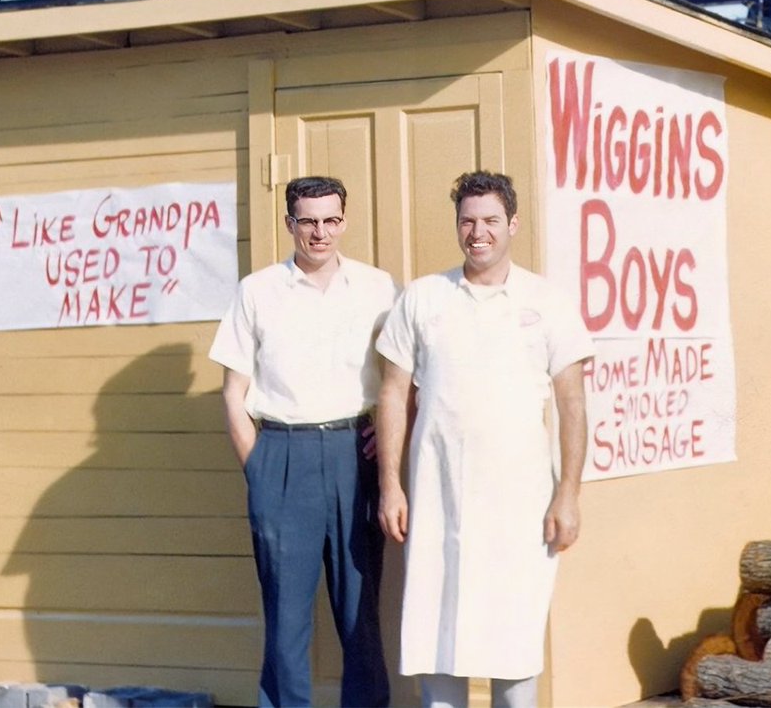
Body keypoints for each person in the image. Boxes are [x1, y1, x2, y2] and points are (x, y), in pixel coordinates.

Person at [375, 171, 593, 708]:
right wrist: (390, 486)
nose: (479, 232)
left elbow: (571, 405)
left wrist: (569, 492)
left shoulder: (547, 302)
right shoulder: (423, 298)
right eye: (468, 221)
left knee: (512, 630)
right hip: (437, 494)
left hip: (519, 499)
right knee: (436, 624)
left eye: (491, 220)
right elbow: (392, 395)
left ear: (512, 224)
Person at [210, 175, 395, 708]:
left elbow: (399, 378)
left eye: (331, 220)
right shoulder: (258, 290)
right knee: (286, 618)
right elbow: (233, 392)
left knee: (360, 614)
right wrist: (260, 466)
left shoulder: (378, 287)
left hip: (352, 456)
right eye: (308, 221)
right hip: (282, 455)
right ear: (290, 223)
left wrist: (384, 445)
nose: (320, 232)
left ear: (344, 220)